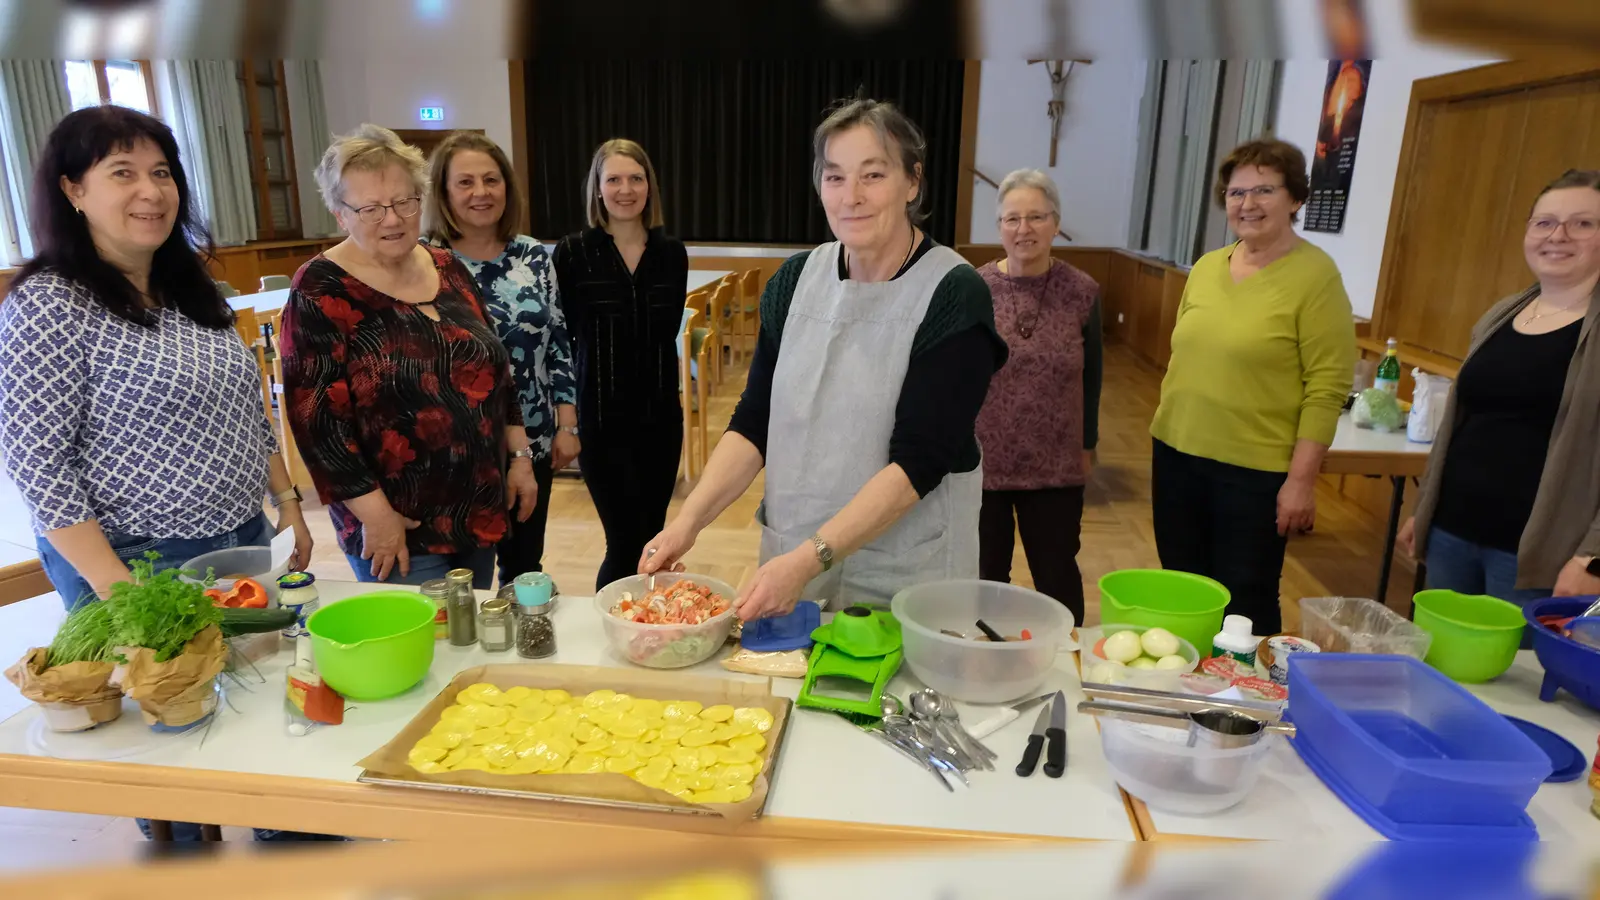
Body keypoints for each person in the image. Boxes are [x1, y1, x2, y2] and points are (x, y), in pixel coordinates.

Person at [0, 106, 329, 843]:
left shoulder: (189, 288)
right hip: (134, 561)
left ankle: (282, 828)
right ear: (72, 190)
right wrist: (121, 593)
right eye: (122, 173)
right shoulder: (49, 303)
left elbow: (245, 405)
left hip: (237, 537)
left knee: (253, 697)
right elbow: (39, 465)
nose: (150, 191)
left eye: (161, 172)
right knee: (172, 734)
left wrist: (286, 501)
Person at [640, 98, 1006, 620]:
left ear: (912, 181)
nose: (851, 196)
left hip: (906, 571)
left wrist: (804, 562)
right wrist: (688, 521)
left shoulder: (953, 293)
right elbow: (755, 422)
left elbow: (919, 462)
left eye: (873, 175)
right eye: (835, 177)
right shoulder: (795, 282)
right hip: (794, 560)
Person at [281, 124, 537, 590]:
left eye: (404, 201)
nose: (393, 219)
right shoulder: (319, 288)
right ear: (340, 214)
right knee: (419, 633)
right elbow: (317, 426)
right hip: (396, 525)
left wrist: (519, 457)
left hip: (477, 508)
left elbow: (496, 371)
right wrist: (376, 517)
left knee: (467, 628)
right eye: (371, 209)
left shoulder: (446, 264)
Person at [1149, 139, 1356, 636]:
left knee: (1246, 599)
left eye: (1264, 190)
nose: (1247, 203)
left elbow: (1327, 387)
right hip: (1176, 454)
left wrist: (1301, 481)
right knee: (1181, 586)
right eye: (1236, 192)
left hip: (1255, 471)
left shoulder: (1316, 276)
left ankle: (1248, 684)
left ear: (1295, 198)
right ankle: (1188, 676)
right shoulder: (1206, 267)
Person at [1400, 169, 1600, 607]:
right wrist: (1425, 509)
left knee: (1518, 655)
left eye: (1583, 223)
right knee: (1442, 649)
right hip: (1453, 531)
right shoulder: (1502, 314)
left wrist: (1594, 557)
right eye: (1545, 222)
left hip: (1542, 555)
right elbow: (1461, 423)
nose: (1558, 235)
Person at [422, 132, 578, 583]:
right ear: (443, 192)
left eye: (491, 180)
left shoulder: (532, 254)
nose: (481, 192)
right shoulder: (424, 259)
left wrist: (567, 424)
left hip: (534, 435)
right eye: (465, 182)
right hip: (459, 448)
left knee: (524, 566)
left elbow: (559, 340)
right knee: (462, 576)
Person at [551, 139, 687, 591]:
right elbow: (562, 339)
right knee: (623, 542)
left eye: (636, 178)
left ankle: (645, 622)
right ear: (598, 187)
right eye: (614, 179)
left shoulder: (672, 253)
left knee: (653, 542)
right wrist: (566, 421)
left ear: (650, 186)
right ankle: (611, 625)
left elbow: (665, 334)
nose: (625, 189)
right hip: (601, 420)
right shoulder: (572, 253)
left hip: (661, 420)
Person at [975, 169, 1102, 626]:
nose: (1023, 229)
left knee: (1057, 576)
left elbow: (1093, 375)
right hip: (984, 461)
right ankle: (986, 657)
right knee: (985, 577)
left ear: (1056, 224)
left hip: (1055, 463)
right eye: (1012, 219)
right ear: (999, 227)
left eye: (1036, 217)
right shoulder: (974, 288)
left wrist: (1088, 443)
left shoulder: (1082, 291)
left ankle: (1065, 656)